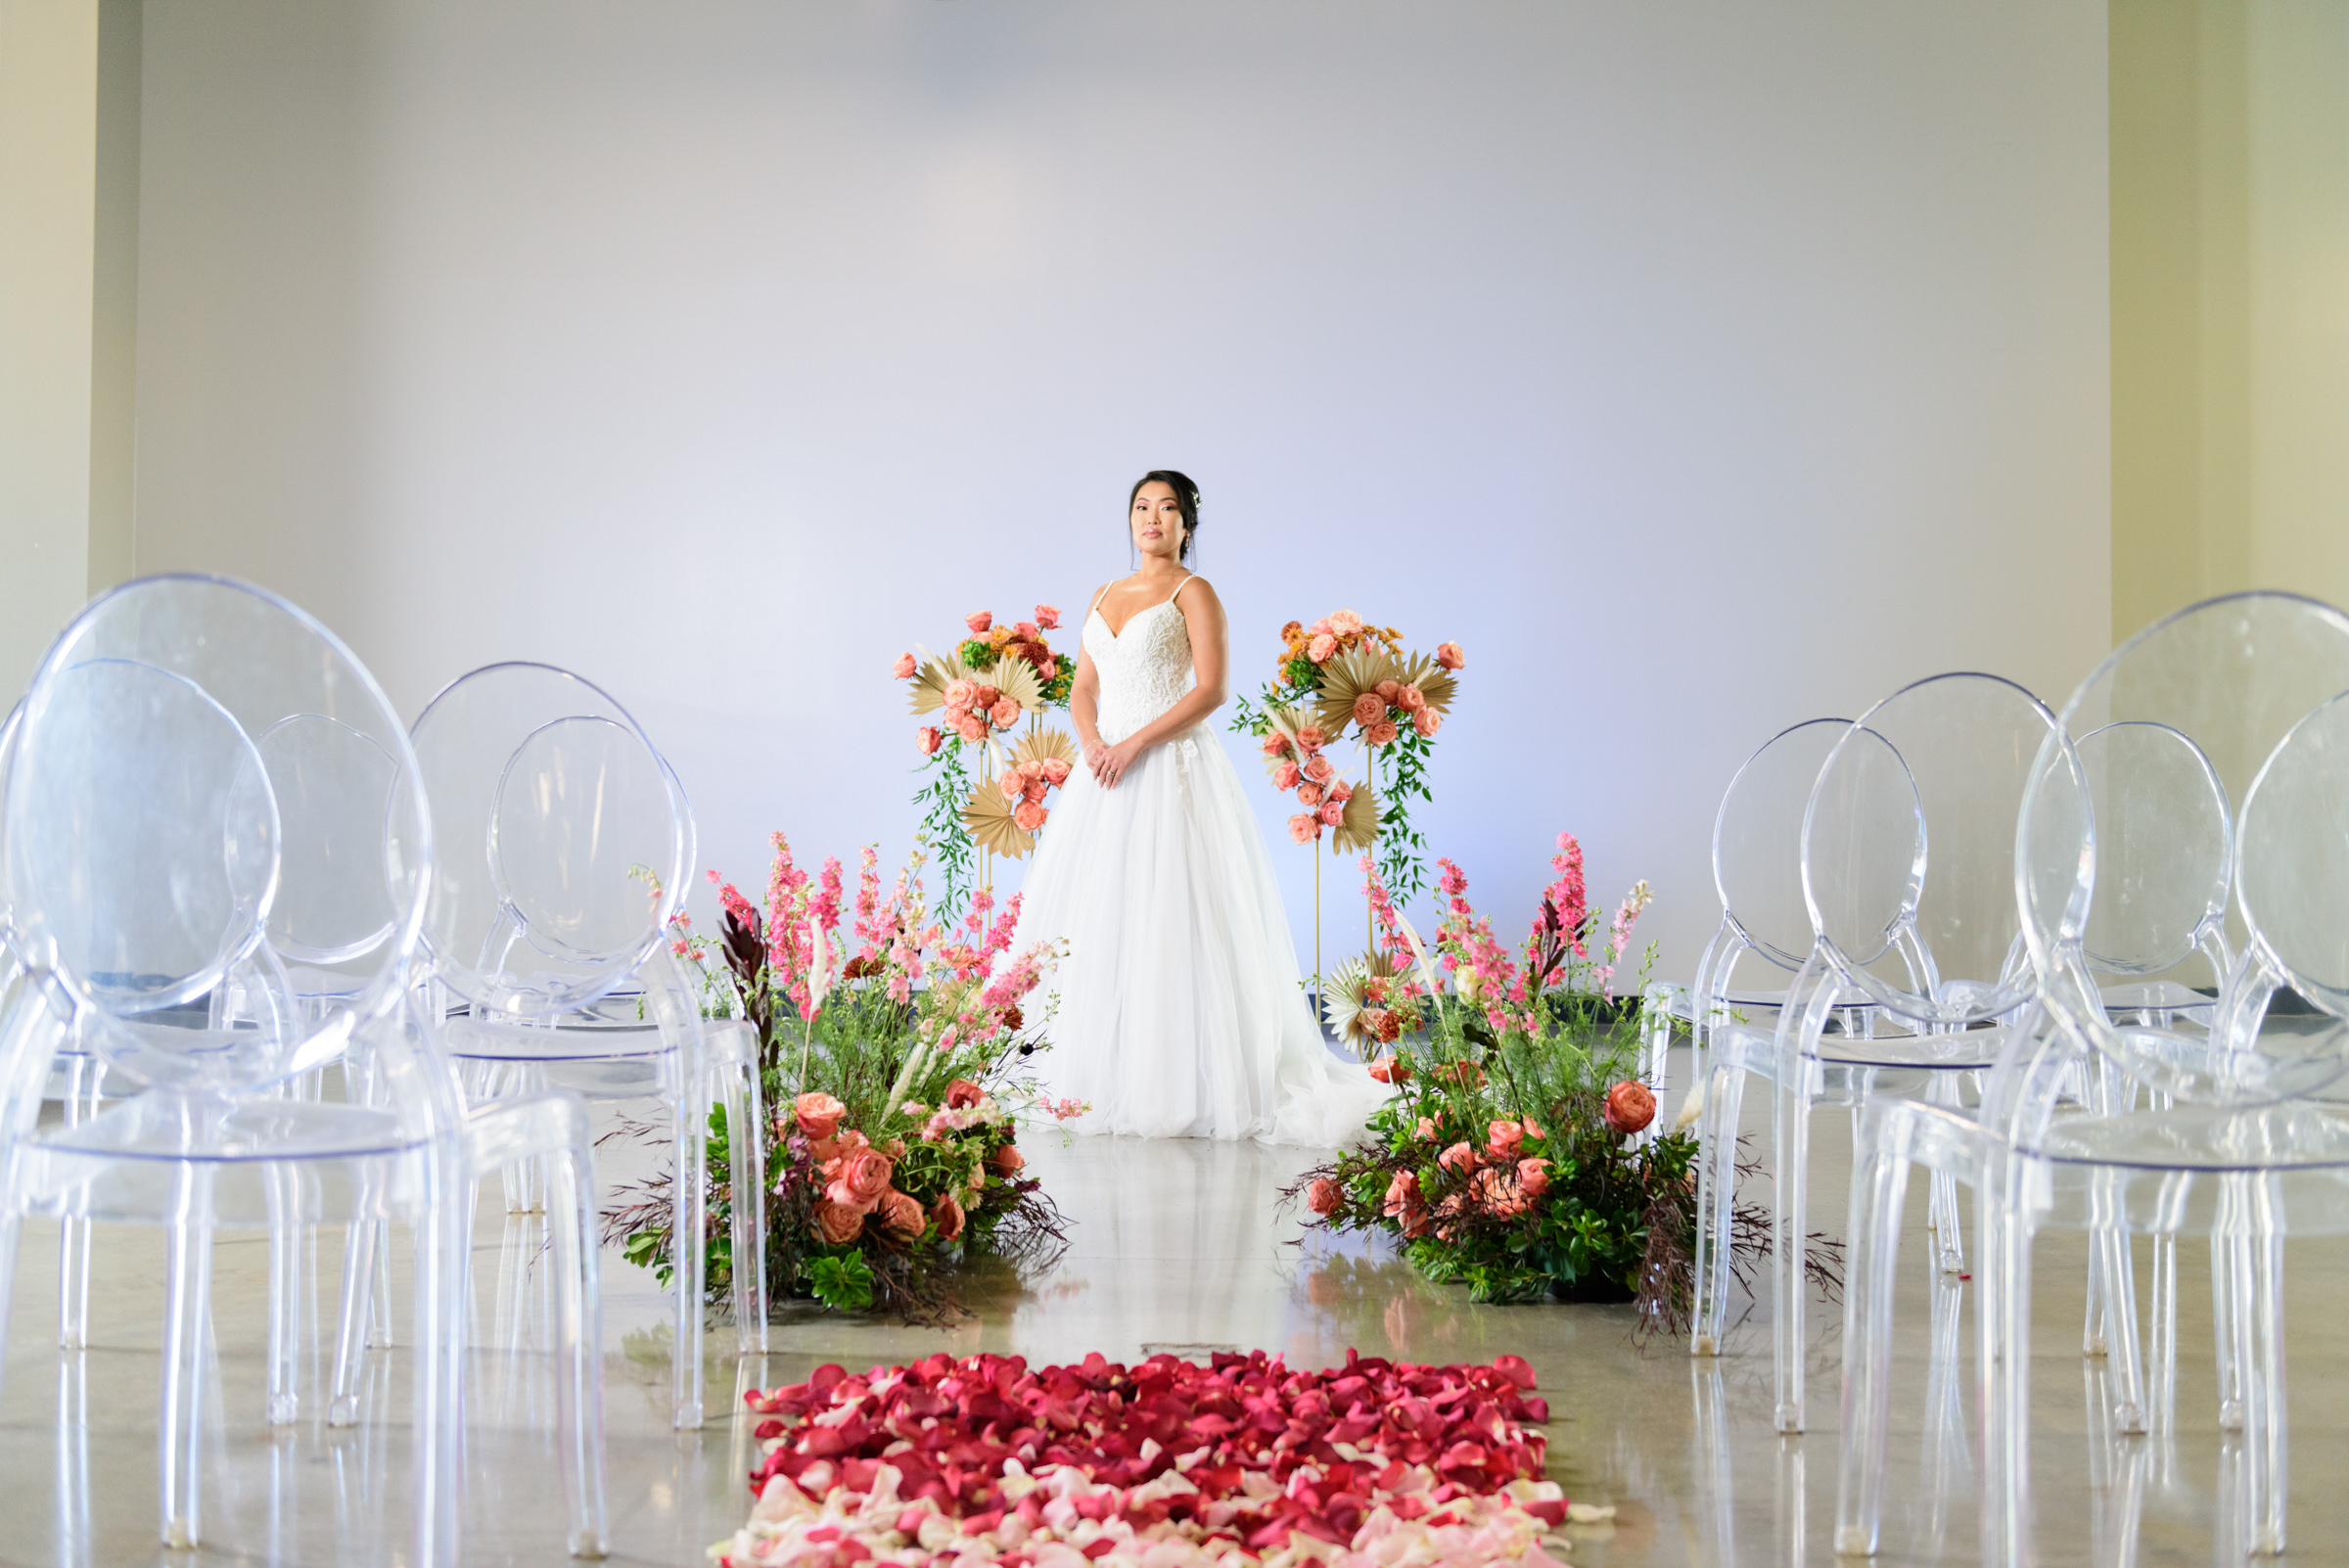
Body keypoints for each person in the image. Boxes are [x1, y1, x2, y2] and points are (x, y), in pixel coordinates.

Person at [1008, 471, 1393, 1143]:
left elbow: (1211, 690)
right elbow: (1081, 689)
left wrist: (1133, 744)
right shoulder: (1102, 593)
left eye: (1166, 509)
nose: (1151, 518)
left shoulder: (1194, 592)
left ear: (1188, 524)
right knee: (1106, 916)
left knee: (1177, 914)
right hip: (1106, 774)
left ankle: (1187, 1076)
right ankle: (1107, 1071)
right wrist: (1096, 743)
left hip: (1171, 767)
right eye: (1140, 507)